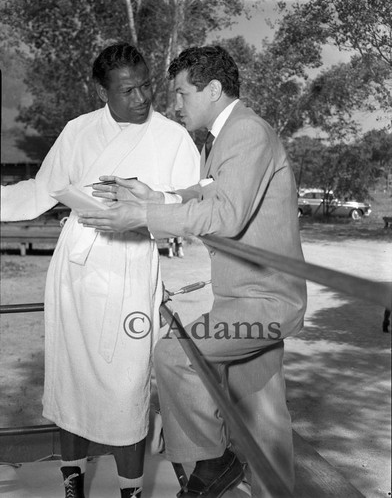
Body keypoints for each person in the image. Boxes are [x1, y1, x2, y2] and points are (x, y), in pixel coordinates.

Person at [79, 45, 307, 497]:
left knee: (176, 355)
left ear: (214, 89)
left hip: (264, 302)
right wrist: (152, 197)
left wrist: (143, 218)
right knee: (265, 425)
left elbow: (225, 214)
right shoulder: (227, 138)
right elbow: (203, 191)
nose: (175, 104)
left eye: (182, 94)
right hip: (244, 299)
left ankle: (215, 463)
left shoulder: (246, 132)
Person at [0, 43, 199, 498]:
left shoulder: (172, 138)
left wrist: (148, 203)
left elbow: (191, 202)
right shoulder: (78, 130)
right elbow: (41, 191)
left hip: (131, 267)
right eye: (127, 90)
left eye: (145, 85)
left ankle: (130, 491)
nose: (141, 98)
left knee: (125, 386)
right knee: (73, 380)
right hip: (77, 267)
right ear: (101, 91)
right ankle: (73, 483)